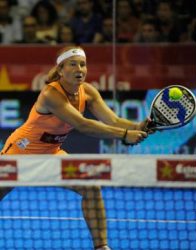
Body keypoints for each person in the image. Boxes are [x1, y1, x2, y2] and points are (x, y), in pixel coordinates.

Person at [0, 46, 150, 250]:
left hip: (52, 154)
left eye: (83, 64)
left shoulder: (87, 92)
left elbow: (113, 119)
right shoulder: (50, 93)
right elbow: (83, 124)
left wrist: (138, 127)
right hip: (21, 153)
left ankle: (102, 247)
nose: (80, 69)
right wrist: (124, 135)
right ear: (61, 70)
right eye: (73, 64)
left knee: (91, 187)